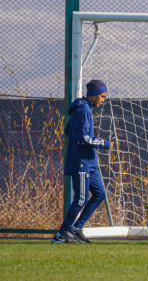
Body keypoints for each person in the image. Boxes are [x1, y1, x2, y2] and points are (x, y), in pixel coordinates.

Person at [52, 80, 113, 243]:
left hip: (89, 162)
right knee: (80, 199)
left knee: (100, 194)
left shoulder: (85, 108)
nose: (103, 100)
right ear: (93, 95)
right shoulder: (84, 109)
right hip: (81, 163)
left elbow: (68, 130)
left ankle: (76, 228)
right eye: (102, 96)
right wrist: (104, 143)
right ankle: (61, 234)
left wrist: (91, 140)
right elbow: (83, 138)